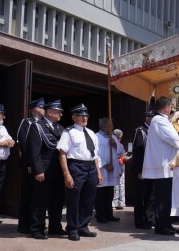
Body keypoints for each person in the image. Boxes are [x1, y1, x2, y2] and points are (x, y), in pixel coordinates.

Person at [57, 104, 102, 241]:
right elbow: (62, 153)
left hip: (91, 167)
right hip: (76, 166)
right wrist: (66, 174)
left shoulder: (91, 133)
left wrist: (98, 172)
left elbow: (94, 156)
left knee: (88, 199)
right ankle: (72, 228)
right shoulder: (68, 132)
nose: (85, 118)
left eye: (86, 116)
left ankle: (83, 227)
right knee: (73, 199)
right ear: (74, 117)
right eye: (81, 116)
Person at [26, 100, 66, 239]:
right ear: (49, 112)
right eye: (58, 111)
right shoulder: (37, 126)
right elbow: (34, 152)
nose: (61, 113)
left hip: (58, 172)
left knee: (57, 202)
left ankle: (55, 227)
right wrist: (38, 171)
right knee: (40, 202)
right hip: (44, 171)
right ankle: (37, 229)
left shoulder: (61, 129)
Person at [142, 97, 179, 235]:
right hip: (162, 165)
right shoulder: (158, 120)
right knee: (161, 198)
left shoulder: (163, 120)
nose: (171, 110)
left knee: (166, 198)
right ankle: (160, 226)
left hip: (167, 165)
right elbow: (173, 138)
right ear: (166, 108)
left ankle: (166, 223)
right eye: (170, 107)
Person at [16, 98, 45, 234]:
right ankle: (23, 225)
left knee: (37, 196)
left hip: (39, 166)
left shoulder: (43, 124)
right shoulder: (27, 122)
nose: (45, 110)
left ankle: (35, 223)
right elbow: (23, 144)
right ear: (37, 108)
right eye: (43, 107)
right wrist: (28, 163)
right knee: (27, 195)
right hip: (29, 165)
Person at [95, 118, 123, 223]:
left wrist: (115, 144)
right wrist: (105, 165)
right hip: (103, 169)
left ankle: (109, 214)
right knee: (101, 195)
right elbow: (94, 154)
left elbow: (121, 151)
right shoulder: (96, 137)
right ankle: (100, 215)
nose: (112, 126)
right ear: (103, 126)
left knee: (109, 194)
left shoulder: (114, 137)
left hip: (112, 169)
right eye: (110, 124)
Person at [132, 111, 155, 229]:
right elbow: (137, 152)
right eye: (150, 117)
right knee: (140, 196)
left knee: (150, 196)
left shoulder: (155, 131)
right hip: (143, 169)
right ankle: (139, 221)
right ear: (147, 118)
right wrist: (139, 171)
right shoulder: (140, 131)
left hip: (152, 169)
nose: (152, 119)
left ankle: (149, 218)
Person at [112, 129, 127, 210]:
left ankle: (120, 203)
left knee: (121, 185)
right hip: (114, 166)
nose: (119, 140)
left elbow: (123, 154)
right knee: (115, 185)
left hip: (121, 167)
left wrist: (125, 158)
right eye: (118, 138)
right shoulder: (111, 143)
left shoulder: (121, 145)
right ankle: (114, 203)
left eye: (120, 138)